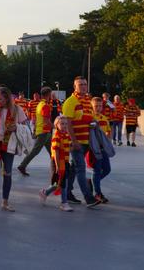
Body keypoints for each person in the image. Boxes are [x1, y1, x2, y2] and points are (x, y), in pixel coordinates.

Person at [62, 76, 100, 207]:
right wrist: (74, 141)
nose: (83, 87)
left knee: (73, 169)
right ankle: (89, 198)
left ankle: (66, 193)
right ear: (75, 87)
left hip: (86, 142)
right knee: (81, 168)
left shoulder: (88, 101)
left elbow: (91, 118)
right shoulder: (70, 101)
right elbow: (67, 123)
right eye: (80, 85)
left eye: (85, 84)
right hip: (75, 142)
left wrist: (94, 122)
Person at [39, 116, 73, 212]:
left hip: (65, 162)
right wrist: (58, 166)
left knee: (58, 183)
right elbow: (56, 152)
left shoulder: (66, 135)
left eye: (66, 124)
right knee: (63, 183)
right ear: (56, 125)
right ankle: (64, 203)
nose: (64, 126)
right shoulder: (56, 136)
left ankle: (45, 192)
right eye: (62, 124)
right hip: (57, 162)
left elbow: (68, 148)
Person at [17, 86, 53, 176]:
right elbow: (46, 121)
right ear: (48, 95)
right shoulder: (45, 106)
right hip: (44, 132)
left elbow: (37, 119)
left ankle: (56, 168)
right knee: (35, 151)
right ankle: (22, 165)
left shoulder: (39, 105)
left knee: (53, 152)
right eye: (51, 94)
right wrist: (56, 127)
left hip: (43, 132)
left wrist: (35, 130)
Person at [89, 97, 113, 203]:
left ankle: (92, 182)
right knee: (97, 170)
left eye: (100, 106)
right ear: (92, 107)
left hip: (104, 148)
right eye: (96, 106)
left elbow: (109, 131)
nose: (98, 108)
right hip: (95, 148)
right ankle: (97, 193)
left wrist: (108, 142)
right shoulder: (90, 118)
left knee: (107, 169)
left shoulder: (104, 118)